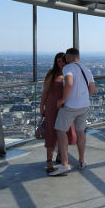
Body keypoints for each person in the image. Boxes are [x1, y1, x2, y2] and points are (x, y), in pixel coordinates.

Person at [49, 48, 96, 176]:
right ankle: (81, 161)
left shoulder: (68, 68)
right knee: (81, 132)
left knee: (60, 130)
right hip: (84, 105)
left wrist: (63, 99)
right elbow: (92, 89)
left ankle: (65, 163)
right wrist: (82, 96)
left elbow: (69, 83)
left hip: (70, 106)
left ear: (68, 58)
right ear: (78, 56)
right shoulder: (86, 69)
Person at [39, 52, 77, 173]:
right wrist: (41, 106)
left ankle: (61, 157)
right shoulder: (52, 74)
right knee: (51, 132)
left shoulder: (69, 73)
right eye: (59, 61)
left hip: (65, 107)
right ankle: (49, 161)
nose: (61, 63)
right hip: (51, 107)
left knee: (64, 132)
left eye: (63, 61)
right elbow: (45, 91)